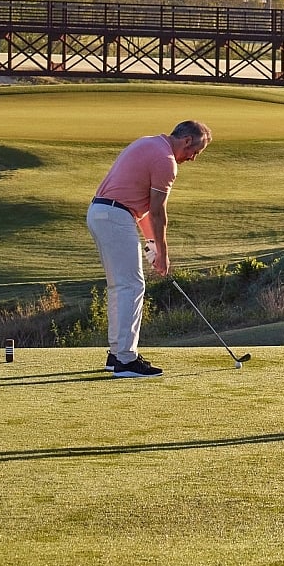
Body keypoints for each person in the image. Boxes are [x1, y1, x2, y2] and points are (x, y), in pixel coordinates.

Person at [86, 118, 212, 377]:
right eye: (194, 152)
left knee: (120, 286)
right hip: (114, 216)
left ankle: (117, 354)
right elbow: (157, 213)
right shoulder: (166, 161)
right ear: (186, 141)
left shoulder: (149, 143)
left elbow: (142, 212)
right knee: (132, 285)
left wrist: (152, 246)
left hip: (102, 212)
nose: (192, 158)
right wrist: (163, 255)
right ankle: (126, 360)